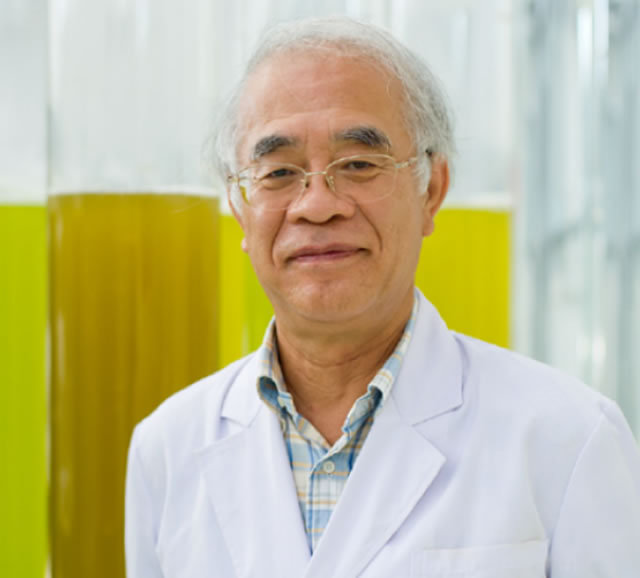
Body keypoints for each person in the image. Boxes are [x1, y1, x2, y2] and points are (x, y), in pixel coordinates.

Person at [125, 17, 640, 578]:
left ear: (431, 190)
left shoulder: (569, 438)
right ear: (239, 207)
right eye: (278, 172)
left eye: (358, 164)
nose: (317, 205)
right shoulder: (167, 450)